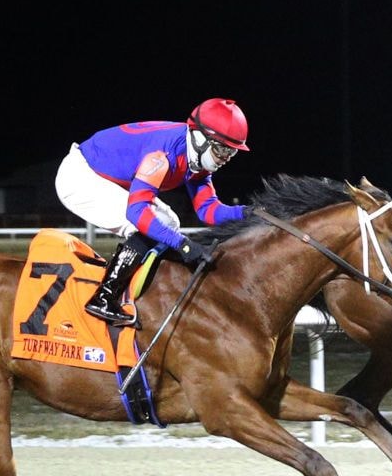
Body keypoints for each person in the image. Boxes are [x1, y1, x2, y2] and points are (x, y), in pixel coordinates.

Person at [55, 98, 250, 325]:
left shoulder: (196, 157)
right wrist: (183, 244)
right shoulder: (162, 154)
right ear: (200, 138)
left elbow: (208, 210)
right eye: (221, 149)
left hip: (104, 176)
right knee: (153, 225)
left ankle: (136, 291)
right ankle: (104, 297)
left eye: (231, 152)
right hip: (79, 178)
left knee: (169, 222)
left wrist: (247, 213)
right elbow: (137, 213)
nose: (225, 158)